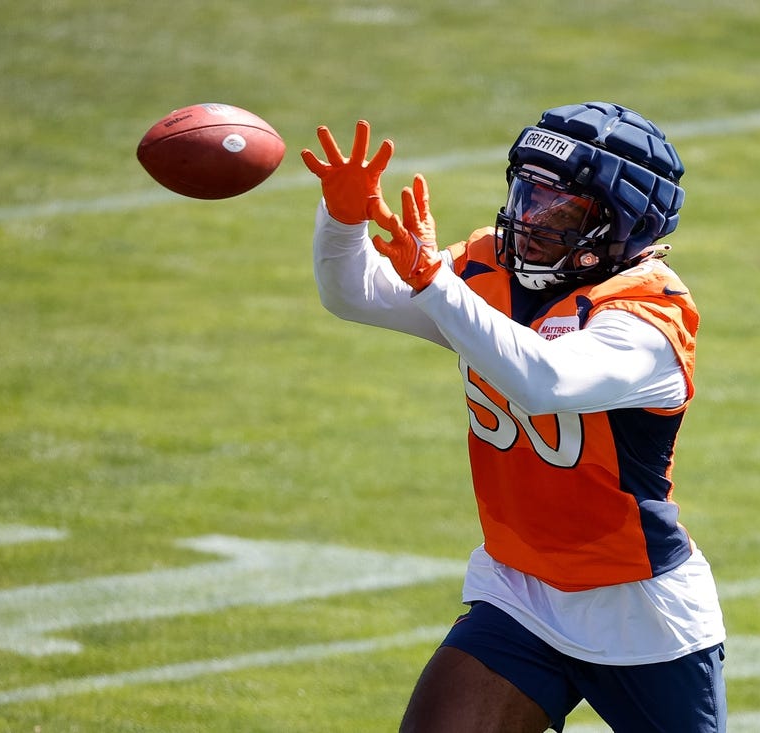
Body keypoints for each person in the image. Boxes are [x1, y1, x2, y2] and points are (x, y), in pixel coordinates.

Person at [302, 102, 727, 733]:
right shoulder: (487, 269)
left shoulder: (648, 314)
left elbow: (544, 381)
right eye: (528, 195)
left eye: (562, 210)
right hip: (519, 587)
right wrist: (342, 221)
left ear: (624, 223)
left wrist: (435, 284)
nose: (531, 221)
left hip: (637, 608)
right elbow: (354, 294)